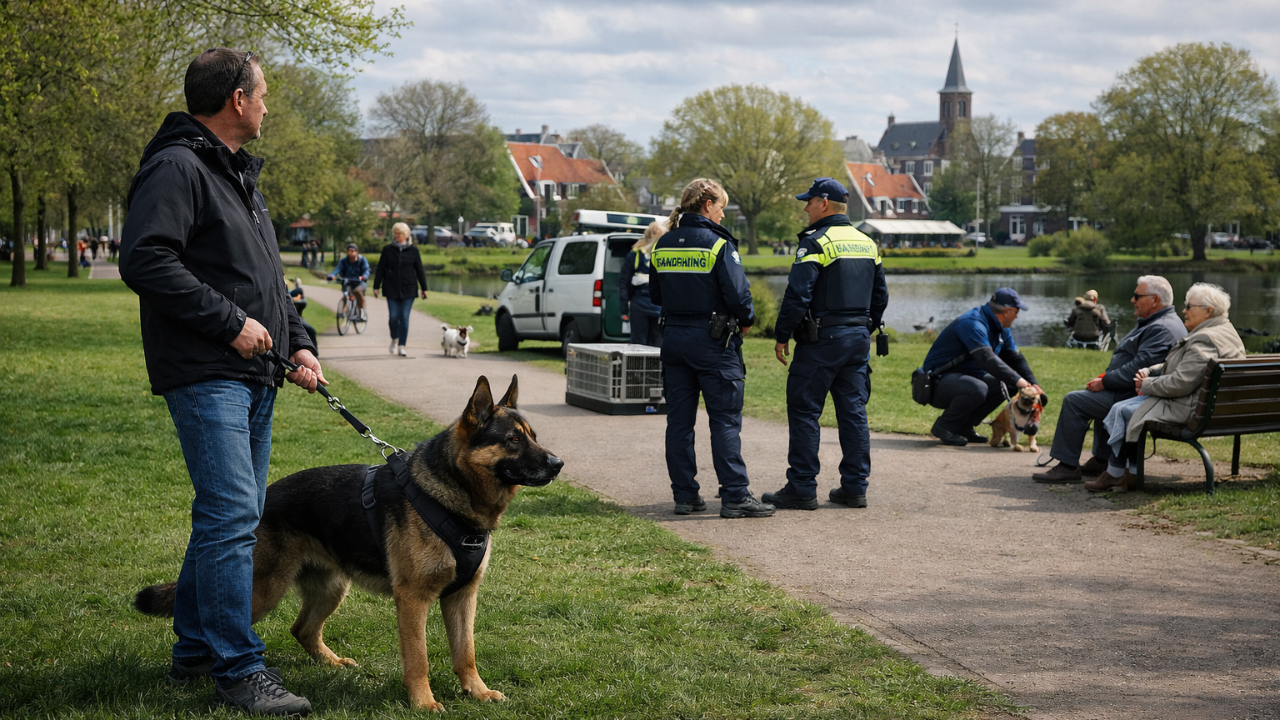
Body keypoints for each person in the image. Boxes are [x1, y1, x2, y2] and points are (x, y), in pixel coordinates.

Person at [119, 48, 320, 715]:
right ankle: (239, 669)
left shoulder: (236, 175)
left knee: (227, 518)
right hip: (208, 374)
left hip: (256, 373)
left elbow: (266, 280)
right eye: (263, 94)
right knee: (234, 515)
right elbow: (145, 259)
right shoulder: (177, 167)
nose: (267, 105)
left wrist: (302, 346)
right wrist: (231, 322)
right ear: (237, 100)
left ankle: (195, 651)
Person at [649, 178, 772, 519]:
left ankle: (685, 496)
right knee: (725, 421)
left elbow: (656, 296)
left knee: (679, 423)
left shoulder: (663, 244)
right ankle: (735, 495)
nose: (721, 215)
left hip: (674, 340)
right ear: (707, 206)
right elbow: (739, 296)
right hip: (714, 343)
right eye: (720, 208)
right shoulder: (719, 244)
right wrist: (746, 319)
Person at [763, 178, 888, 510]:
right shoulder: (867, 243)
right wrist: (863, 327)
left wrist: (782, 335)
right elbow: (880, 297)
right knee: (853, 413)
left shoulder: (815, 243)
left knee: (804, 411)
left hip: (820, 342)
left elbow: (797, 296)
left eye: (808, 202)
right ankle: (855, 487)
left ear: (823, 203)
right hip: (857, 340)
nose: (804, 208)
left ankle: (802, 487)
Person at [1087, 283, 1246, 491]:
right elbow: (1189, 367)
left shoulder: (1204, 339)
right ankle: (1132, 472)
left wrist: (1146, 384)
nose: (1184, 311)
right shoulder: (1225, 331)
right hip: (1219, 409)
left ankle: (1116, 473)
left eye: (1189, 307)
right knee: (1127, 408)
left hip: (1190, 410)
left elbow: (1180, 384)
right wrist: (1153, 370)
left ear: (1208, 311)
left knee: (1123, 409)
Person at [1033, 276, 1185, 483]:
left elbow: (1139, 367)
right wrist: (1107, 379)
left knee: (1074, 401)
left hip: (1136, 396)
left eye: (1137, 296)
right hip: (1133, 392)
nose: (1132, 300)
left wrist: (1106, 382)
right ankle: (1102, 459)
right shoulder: (1160, 322)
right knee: (1092, 398)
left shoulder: (1161, 328)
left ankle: (1067, 466)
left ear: (1155, 300)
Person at [922, 288, 1042, 446]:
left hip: (964, 379)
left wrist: (1033, 383)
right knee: (978, 388)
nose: (1017, 316)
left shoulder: (1002, 329)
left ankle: (964, 427)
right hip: (936, 383)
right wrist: (1020, 381)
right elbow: (987, 359)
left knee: (1007, 385)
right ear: (1007, 311)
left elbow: (1015, 358)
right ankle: (944, 426)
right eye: (1017, 311)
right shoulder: (973, 323)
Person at [372, 221, 428, 356]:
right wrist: (376, 286)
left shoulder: (414, 251)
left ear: (405, 235)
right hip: (391, 287)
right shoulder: (387, 250)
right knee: (393, 317)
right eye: (395, 234)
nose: (396, 236)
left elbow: (419, 270)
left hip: (409, 288)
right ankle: (394, 338)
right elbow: (380, 269)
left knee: (404, 317)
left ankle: (402, 345)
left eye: (399, 234)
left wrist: (424, 288)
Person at [618, 220, 666, 347]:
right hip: (658, 307)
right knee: (657, 346)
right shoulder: (666, 254)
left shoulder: (635, 254)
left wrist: (624, 307)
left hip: (640, 306)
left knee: (638, 347)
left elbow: (623, 282)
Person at [326, 242, 370, 320]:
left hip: (359, 282)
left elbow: (366, 270)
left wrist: (364, 276)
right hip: (347, 281)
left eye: (353, 251)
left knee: (356, 291)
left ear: (357, 252)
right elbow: (337, 269)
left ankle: (361, 311)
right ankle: (342, 312)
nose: (351, 253)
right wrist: (332, 275)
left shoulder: (362, 260)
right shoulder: (344, 261)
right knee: (346, 295)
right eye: (349, 251)